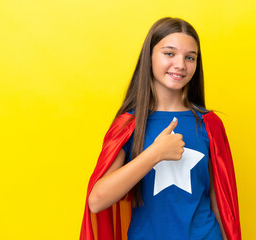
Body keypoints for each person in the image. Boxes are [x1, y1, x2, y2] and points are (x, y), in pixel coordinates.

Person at [80, 17, 241, 240]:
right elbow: (97, 201)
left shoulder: (209, 124)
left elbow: (221, 203)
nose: (181, 64)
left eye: (190, 57)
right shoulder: (129, 125)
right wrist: (155, 153)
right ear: (149, 57)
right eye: (169, 53)